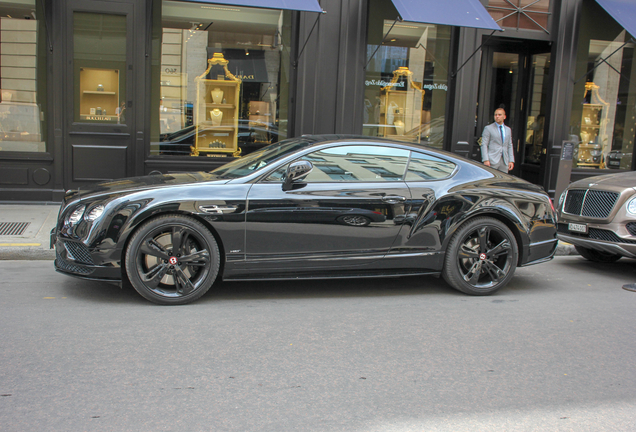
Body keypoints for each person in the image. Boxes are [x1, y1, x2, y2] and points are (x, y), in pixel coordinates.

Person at [481, 107, 514, 173]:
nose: (497, 116)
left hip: (504, 160)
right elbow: (484, 144)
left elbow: (510, 145)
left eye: (499, 115)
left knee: (503, 180)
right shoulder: (488, 128)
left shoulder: (508, 130)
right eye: (495, 115)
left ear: (504, 117)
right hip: (492, 159)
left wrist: (511, 160)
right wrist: (485, 159)